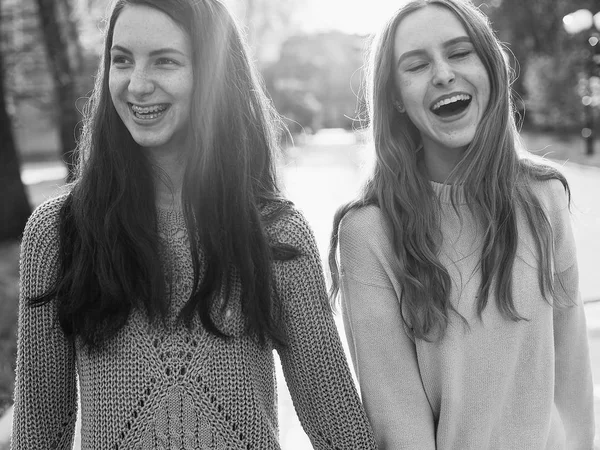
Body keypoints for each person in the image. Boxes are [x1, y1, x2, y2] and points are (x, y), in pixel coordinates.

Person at [11, 0, 378, 448]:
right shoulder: (59, 233)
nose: (137, 84)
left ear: (212, 77)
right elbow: (38, 435)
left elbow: (339, 427)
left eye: (165, 61)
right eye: (121, 59)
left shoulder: (275, 234)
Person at [328, 0, 595, 448]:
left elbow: (572, 377)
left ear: (489, 67)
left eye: (459, 52)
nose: (443, 74)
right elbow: (400, 424)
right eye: (415, 65)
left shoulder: (544, 198)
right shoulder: (368, 232)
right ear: (394, 96)